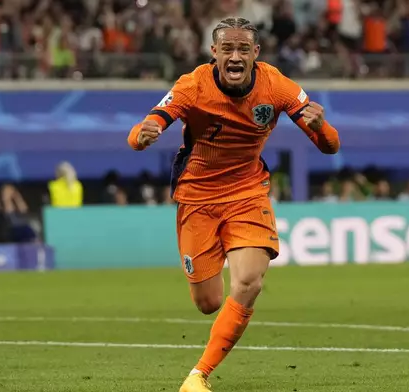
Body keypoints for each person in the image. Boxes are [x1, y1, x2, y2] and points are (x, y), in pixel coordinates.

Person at [127, 17, 340, 392]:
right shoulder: (193, 86)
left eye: (244, 49)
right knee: (209, 302)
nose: (235, 55)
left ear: (256, 53)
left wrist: (321, 125)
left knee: (248, 281)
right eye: (228, 49)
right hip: (197, 197)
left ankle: (198, 376)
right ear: (214, 53)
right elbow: (145, 128)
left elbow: (330, 145)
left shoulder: (278, 87)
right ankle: (219, 288)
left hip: (247, 192)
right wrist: (143, 136)